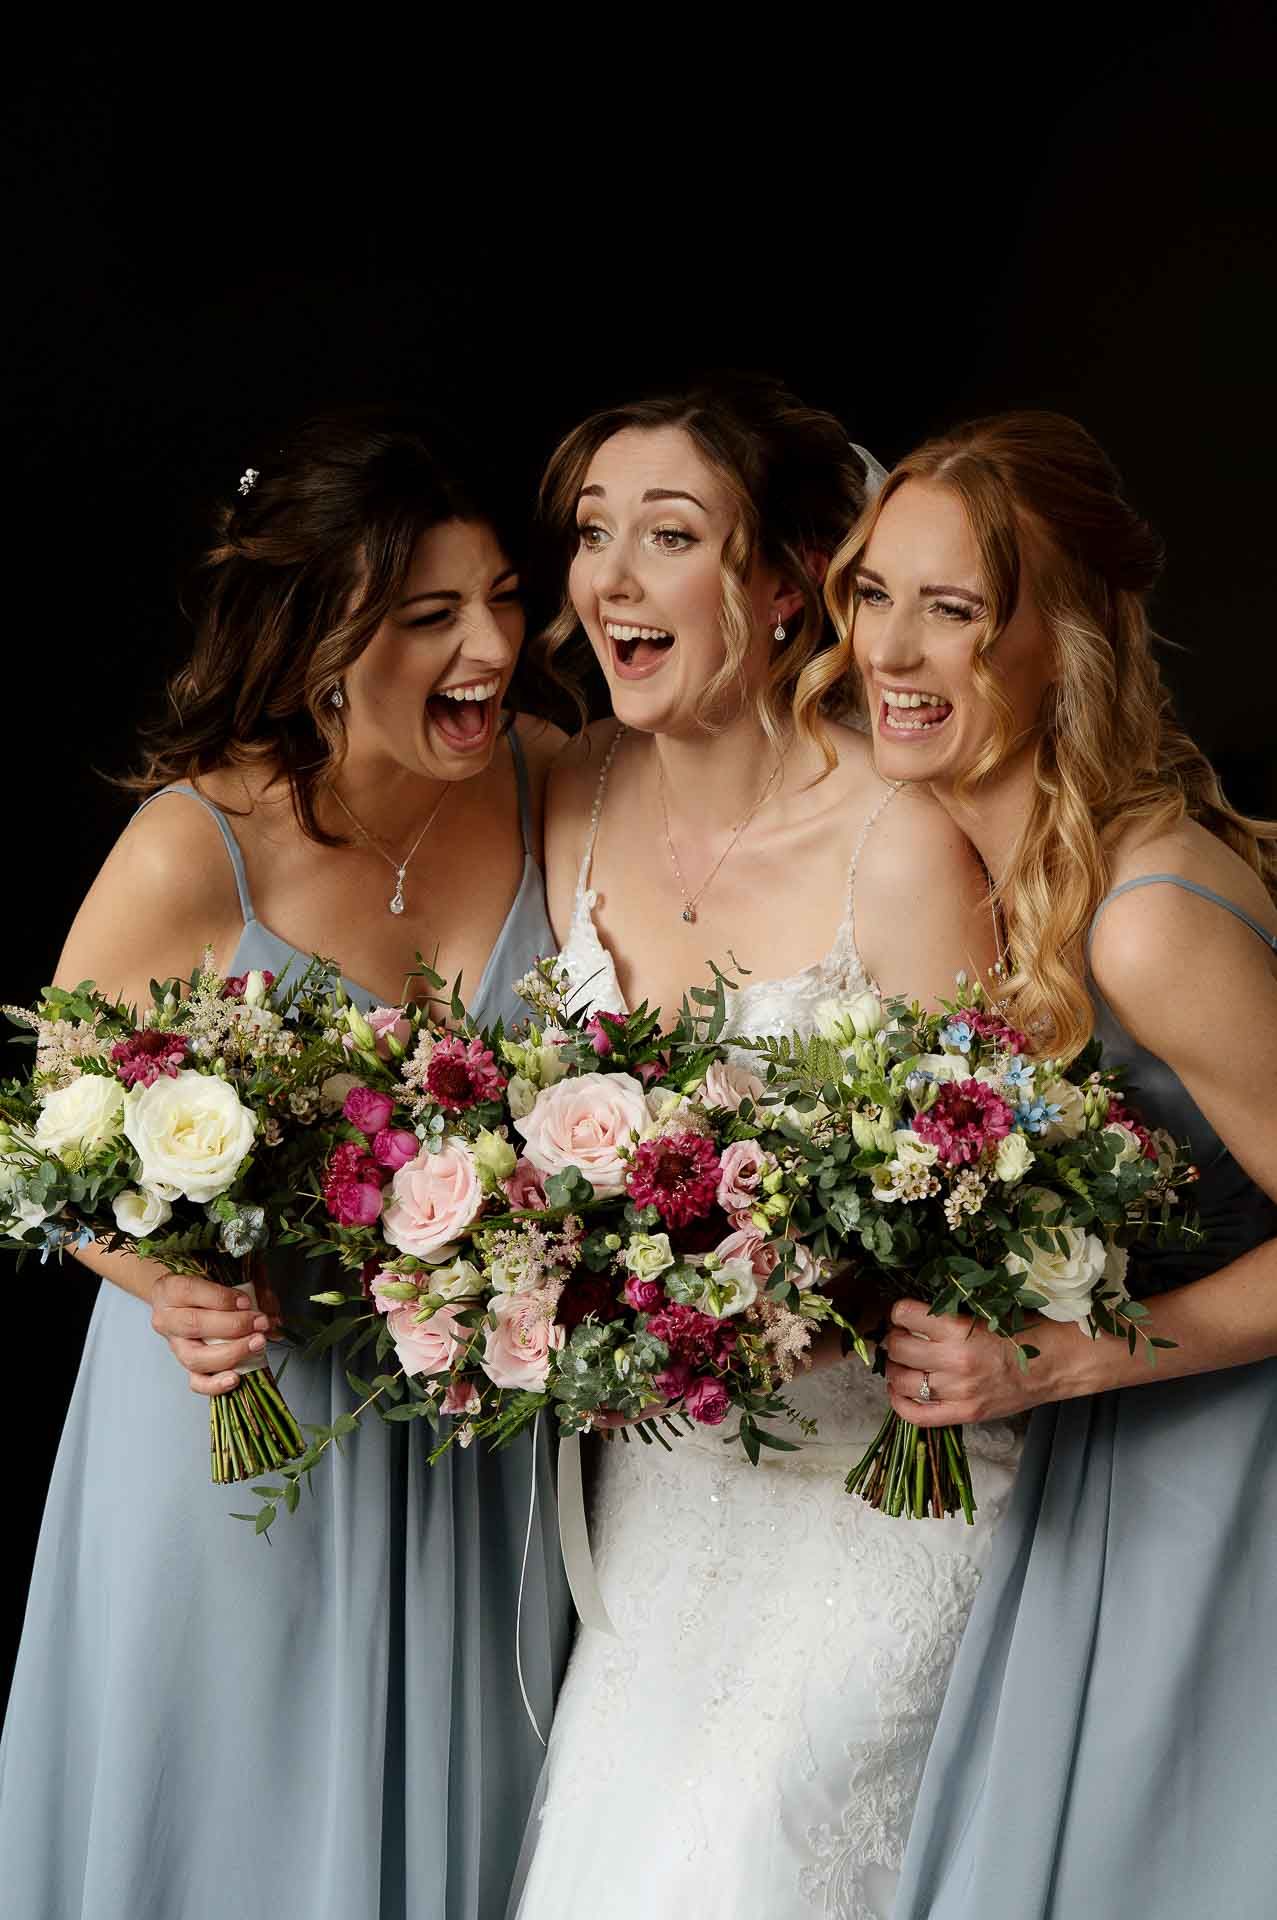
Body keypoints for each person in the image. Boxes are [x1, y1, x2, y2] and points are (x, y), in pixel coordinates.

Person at [0, 411, 573, 1920]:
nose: (492, 649)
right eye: (430, 616)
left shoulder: (556, 784)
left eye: (503, 599)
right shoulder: (194, 852)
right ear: (323, 638)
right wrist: (159, 1284)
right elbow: (39, 1145)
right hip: (245, 1426)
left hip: (472, 1435)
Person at [510, 376, 1019, 1920]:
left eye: (669, 536)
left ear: (786, 587)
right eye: (594, 532)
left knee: (759, 1864)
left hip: (873, 1483)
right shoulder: (571, 789)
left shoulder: (902, 844)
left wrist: (779, 1289)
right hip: (655, 1495)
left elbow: (980, 1199)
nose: (609, 577)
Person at [823, 409, 1277, 1918]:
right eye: (873, 594)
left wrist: (1068, 1360)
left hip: (1225, 1470)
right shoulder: (967, 860)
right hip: (1115, 1463)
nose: (892, 651)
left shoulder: (1146, 915)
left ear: (1062, 640)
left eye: (952, 611)